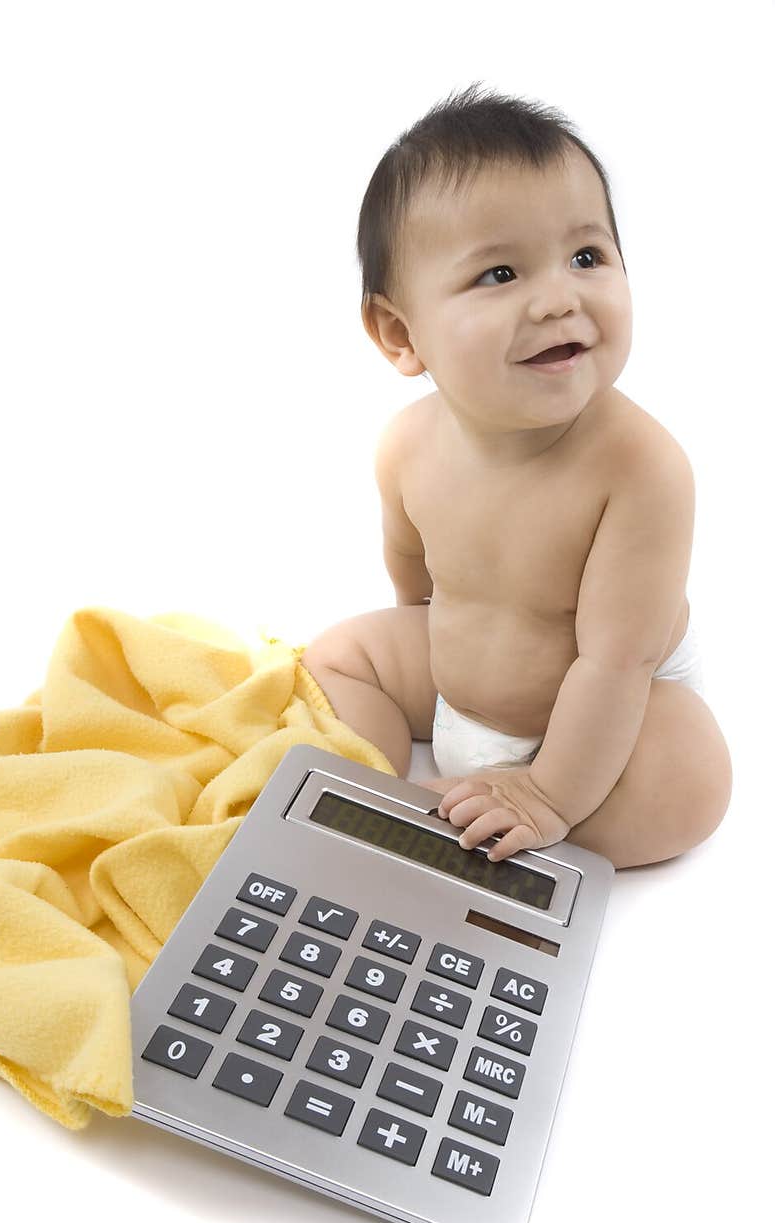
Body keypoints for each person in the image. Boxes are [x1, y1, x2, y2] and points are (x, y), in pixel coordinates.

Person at [300, 83, 731, 870]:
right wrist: (442, 672)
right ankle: (375, 790)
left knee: (691, 780)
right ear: (401, 332)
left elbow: (617, 661)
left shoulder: (641, 470)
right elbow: (415, 584)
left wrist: (549, 792)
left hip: (609, 717)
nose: (559, 299)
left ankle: (512, 814)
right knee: (333, 657)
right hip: (464, 685)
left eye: (587, 256)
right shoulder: (405, 445)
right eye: (500, 275)